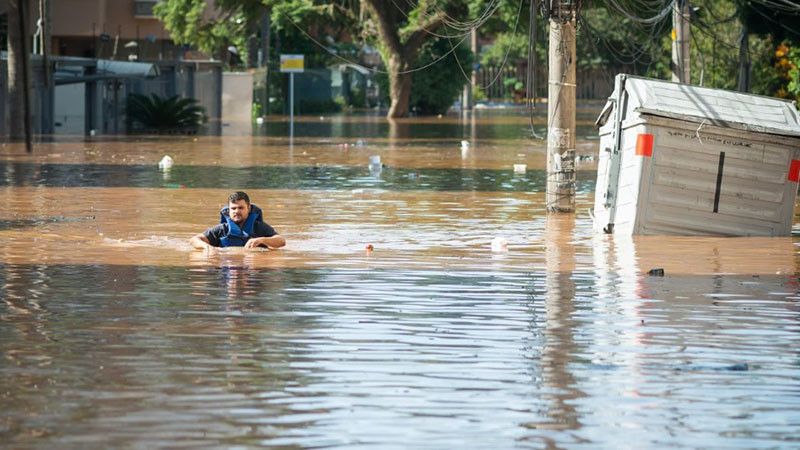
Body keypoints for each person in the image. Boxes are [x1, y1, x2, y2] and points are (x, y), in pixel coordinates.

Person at [190, 191, 286, 251]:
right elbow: (194, 240)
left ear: (248, 208)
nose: (237, 211)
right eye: (233, 208)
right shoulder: (222, 229)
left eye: (241, 208)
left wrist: (261, 240)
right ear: (229, 210)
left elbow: (281, 241)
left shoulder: (259, 228)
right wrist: (205, 246)